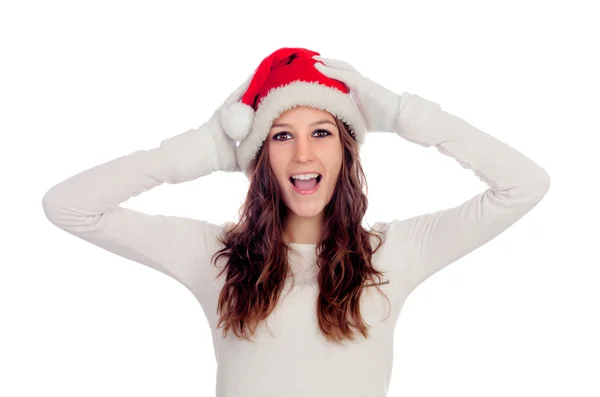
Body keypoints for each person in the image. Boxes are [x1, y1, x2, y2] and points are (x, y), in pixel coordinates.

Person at [41, 47, 551, 397]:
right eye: (281, 136)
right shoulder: (214, 257)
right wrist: (200, 150)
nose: (303, 153)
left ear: (347, 150)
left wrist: (399, 114)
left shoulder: (394, 254)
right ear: (260, 156)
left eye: (323, 132)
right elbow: (68, 205)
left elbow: (523, 184)